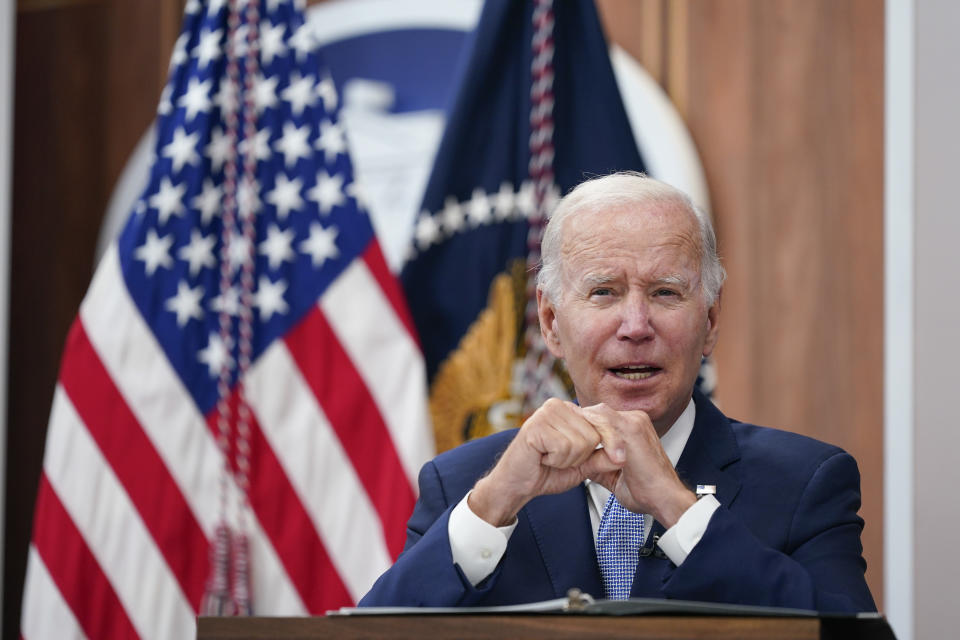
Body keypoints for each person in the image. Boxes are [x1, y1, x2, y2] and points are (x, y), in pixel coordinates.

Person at [359, 172, 876, 612]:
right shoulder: (465, 488)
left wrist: (682, 512)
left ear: (711, 321)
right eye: (603, 292)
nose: (635, 325)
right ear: (551, 322)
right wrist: (493, 507)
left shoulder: (806, 483)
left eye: (665, 293)